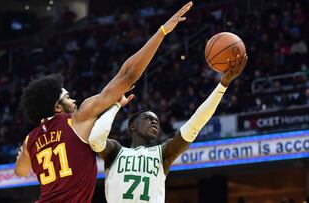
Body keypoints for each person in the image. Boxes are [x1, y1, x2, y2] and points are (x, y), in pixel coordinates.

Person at [14, 2, 194, 203]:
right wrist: (161, 32)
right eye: (67, 97)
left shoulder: (31, 140)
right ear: (57, 107)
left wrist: (24, 151)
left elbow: (20, 171)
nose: (73, 100)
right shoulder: (77, 119)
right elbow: (127, 75)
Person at [88, 54, 248, 202]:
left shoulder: (162, 153)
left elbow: (195, 125)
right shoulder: (116, 151)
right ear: (132, 126)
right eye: (148, 118)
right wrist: (116, 105)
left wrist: (223, 85)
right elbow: (95, 138)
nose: (154, 122)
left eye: (157, 121)